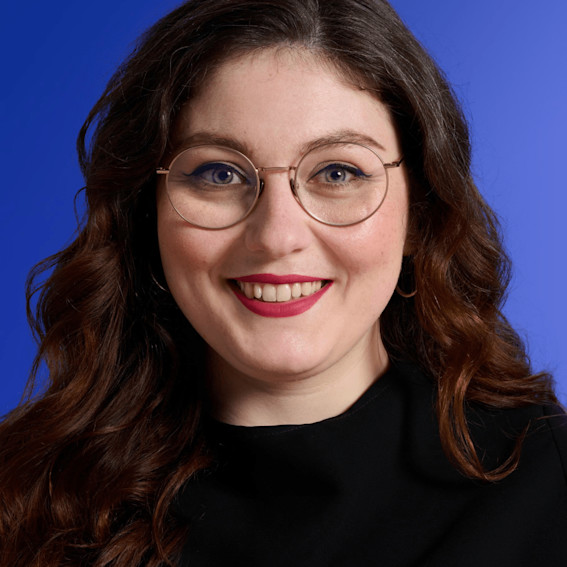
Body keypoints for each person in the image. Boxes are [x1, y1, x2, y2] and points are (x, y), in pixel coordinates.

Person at [1, 0, 565, 565]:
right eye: (219, 173)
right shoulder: (24, 496)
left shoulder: (549, 484)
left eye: (338, 173)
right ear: (146, 215)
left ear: (419, 215)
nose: (276, 236)